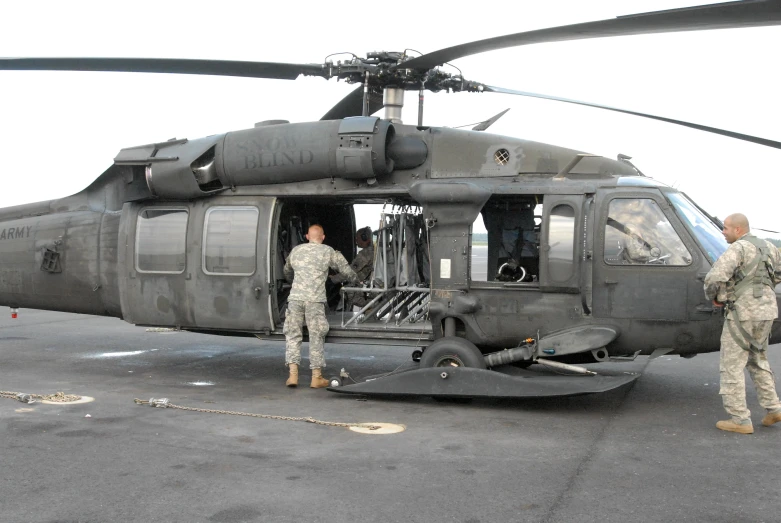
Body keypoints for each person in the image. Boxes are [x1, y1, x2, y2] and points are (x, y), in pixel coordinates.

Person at [704, 213, 781, 434]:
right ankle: (774, 408)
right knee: (758, 358)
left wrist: (716, 296)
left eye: (726, 228)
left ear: (738, 230)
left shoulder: (738, 249)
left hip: (742, 314)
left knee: (732, 364)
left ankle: (740, 419)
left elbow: (714, 277)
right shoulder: (769, 247)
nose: (723, 232)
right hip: (767, 312)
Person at [283, 224, 358, 388]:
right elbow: (346, 271)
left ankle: (293, 376)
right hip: (315, 300)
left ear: (307, 236)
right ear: (323, 237)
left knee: (293, 335)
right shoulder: (328, 251)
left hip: (295, 299)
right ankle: (316, 377)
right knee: (316, 336)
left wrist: (294, 282)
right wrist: (355, 279)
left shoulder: (296, 251)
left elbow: (287, 271)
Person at [330, 226, 375, 308]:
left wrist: (333, 280)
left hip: (364, 284)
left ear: (365, 238)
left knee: (346, 292)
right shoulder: (372, 251)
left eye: (357, 238)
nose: (356, 241)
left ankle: (371, 306)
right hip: (364, 282)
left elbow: (350, 271)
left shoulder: (365, 254)